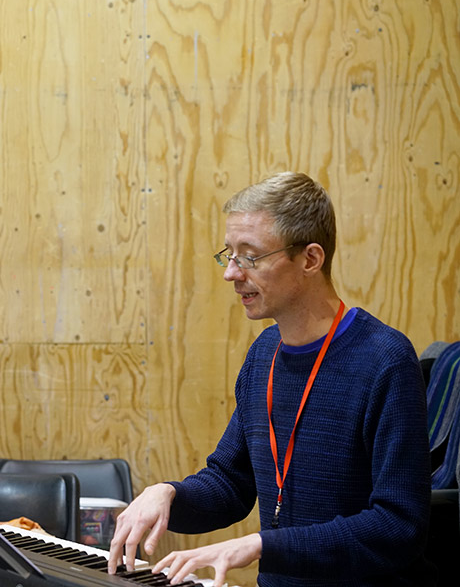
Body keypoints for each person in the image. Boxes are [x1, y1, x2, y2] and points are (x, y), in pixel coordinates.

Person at [108, 172, 434, 586]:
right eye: (229, 254)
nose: (231, 273)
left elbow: (398, 526)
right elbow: (230, 485)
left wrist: (263, 546)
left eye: (250, 256)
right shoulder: (265, 354)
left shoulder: (385, 360)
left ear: (310, 259)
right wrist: (168, 494)